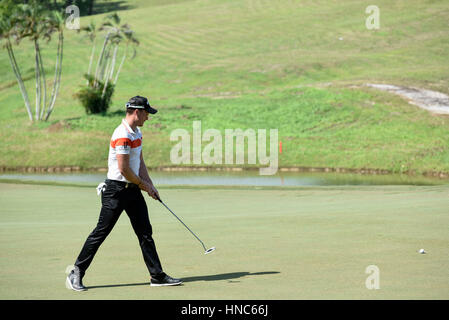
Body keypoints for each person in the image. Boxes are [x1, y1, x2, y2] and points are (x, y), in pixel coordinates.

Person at [66, 96, 182, 291]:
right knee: (100, 233)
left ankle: (157, 276)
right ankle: (75, 273)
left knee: (145, 233)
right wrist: (143, 185)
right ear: (137, 112)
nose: (148, 117)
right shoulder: (122, 134)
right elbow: (124, 169)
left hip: (133, 190)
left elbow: (139, 162)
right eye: (146, 113)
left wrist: (150, 185)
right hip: (116, 191)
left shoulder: (136, 133)